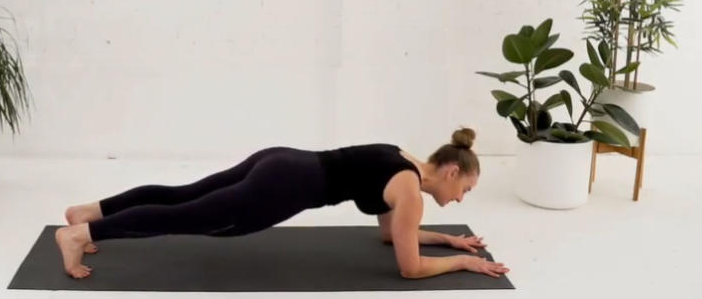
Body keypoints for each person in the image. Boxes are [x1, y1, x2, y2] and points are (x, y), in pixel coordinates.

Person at [55, 127, 509, 280]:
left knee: (184, 195)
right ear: (451, 171)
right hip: (285, 186)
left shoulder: (404, 161)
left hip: (282, 161)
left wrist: (447, 241)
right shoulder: (411, 194)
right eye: (464, 189)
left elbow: (392, 236)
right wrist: (462, 265)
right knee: (193, 216)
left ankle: (88, 211)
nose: (460, 198)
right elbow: (409, 268)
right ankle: (80, 233)